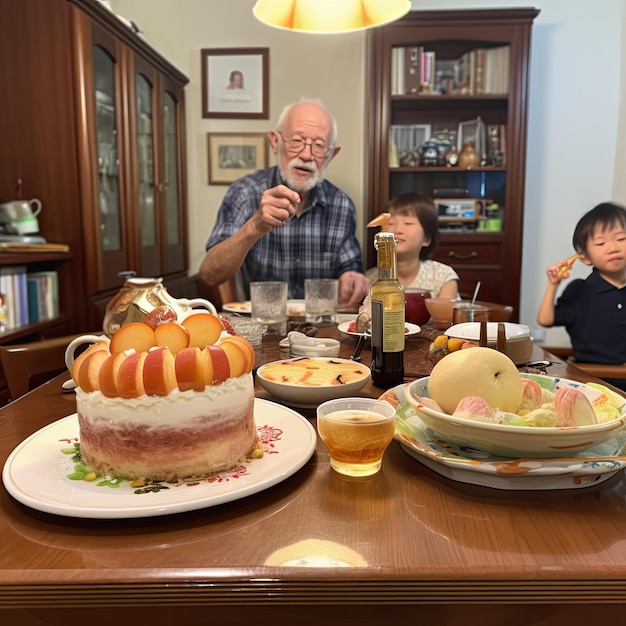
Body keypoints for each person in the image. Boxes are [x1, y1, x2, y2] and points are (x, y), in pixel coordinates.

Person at [200, 98, 370, 309]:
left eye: (319, 146)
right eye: (297, 141)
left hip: (321, 330)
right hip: (263, 325)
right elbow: (209, 274)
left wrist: (354, 280)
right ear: (275, 142)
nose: (306, 155)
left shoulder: (341, 205)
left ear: (331, 155)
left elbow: (351, 269)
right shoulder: (245, 192)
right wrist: (254, 227)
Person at [537, 201, 626, 390]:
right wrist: (553, 285)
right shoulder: (580, 290)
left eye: (621, 239)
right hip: (589, 382)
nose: (613, 248)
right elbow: (545, 320)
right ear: (585, 257)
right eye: (601, 243)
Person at [366, 193, 459, 298]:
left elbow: (446, 313)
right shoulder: (370, 280)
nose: (397, 230)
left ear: (427, 238)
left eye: (408, 223)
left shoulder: (442, 276)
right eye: (390, 224)